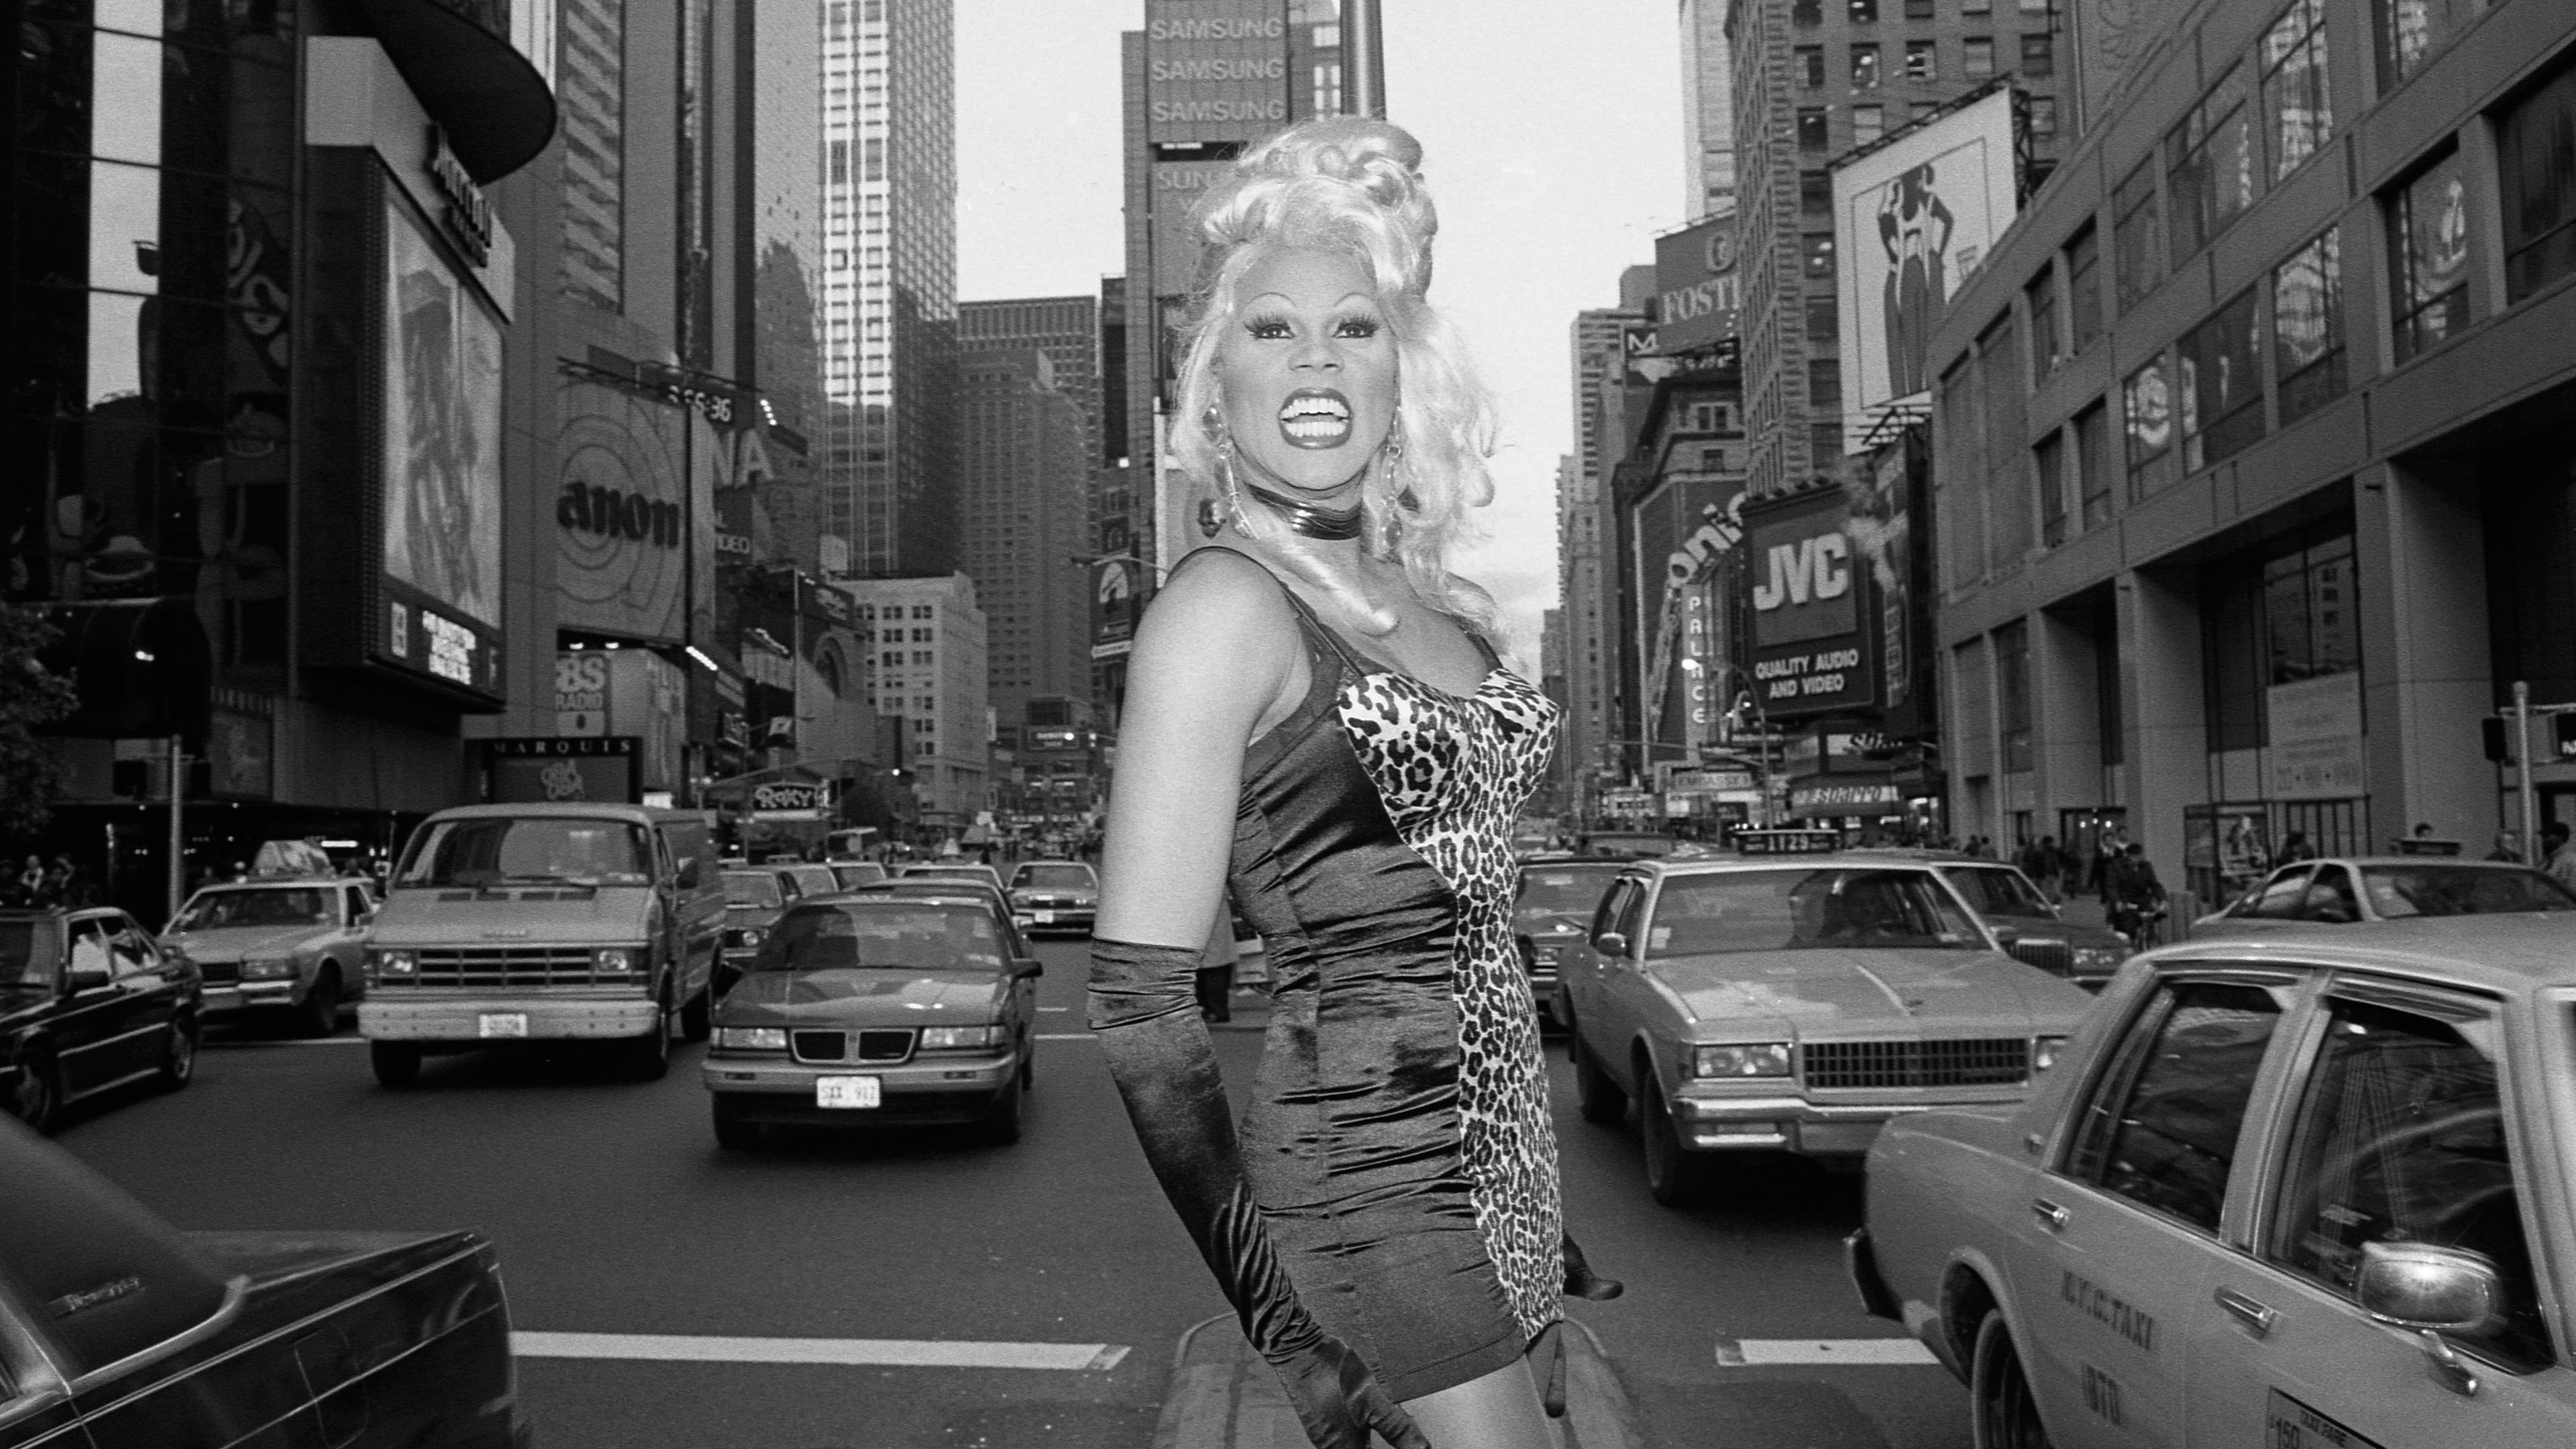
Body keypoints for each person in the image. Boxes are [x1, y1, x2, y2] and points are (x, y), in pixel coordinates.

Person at [1087, 118, 1614, 1449]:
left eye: (1356, 327)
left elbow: (1469, 927)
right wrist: (1284, 1329)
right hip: (1365, 1194)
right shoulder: (1221, 613)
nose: (1316, 359)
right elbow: (1141, 1005)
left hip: (1503, 1166)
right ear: (1216, 385)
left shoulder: (1441, 609)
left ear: (1405, 367)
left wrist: (1534, 1185)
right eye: (1271, 330)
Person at [2104, 842, 2169, 947]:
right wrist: (2117, 901)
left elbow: (2154, 885)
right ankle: (2131, 944)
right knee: (2130, 925)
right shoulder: (2116, 867)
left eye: (2139, 857)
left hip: (2142, 902)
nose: (2136, 861)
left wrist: (2163, 900)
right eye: (2134, 858)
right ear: (2128, 856)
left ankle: (2150, 941)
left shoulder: (2146, 866)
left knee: (2154, 918)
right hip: (2126, 903)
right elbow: (2112, 887)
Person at [2544, 822, 2576, 892]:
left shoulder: (2570, 861)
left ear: (2560, 837)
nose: (2544, 839)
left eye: (2547, 835)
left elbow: (2572, 890)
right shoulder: (2546, 861)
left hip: (2559, 902)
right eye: (2544, 836)